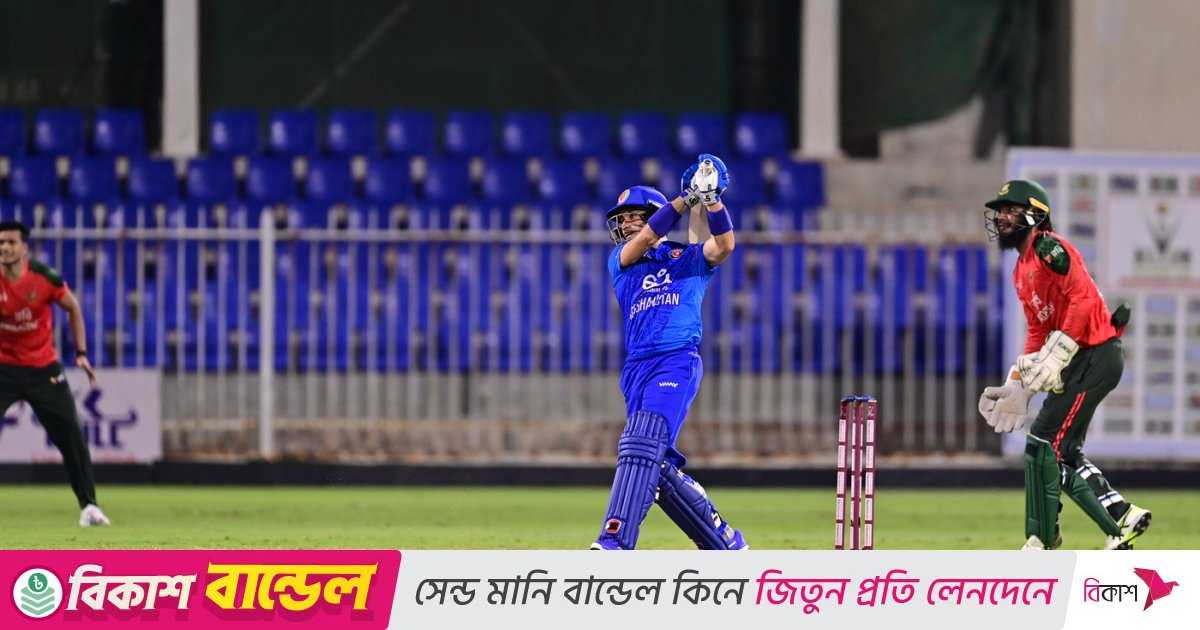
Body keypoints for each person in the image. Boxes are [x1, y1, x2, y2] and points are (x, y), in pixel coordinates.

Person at [977, 180, 1149, 550]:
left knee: (1044, 444)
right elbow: (1038, 330)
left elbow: (1082, 299)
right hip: (1084, 359)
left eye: (1011, 210)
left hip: (1094, 354)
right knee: (1063, 449)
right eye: (1000, 211)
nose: (1002, 217)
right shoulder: (1020, 270)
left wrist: (1059, 353)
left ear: (1035, 214)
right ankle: (1121, 513)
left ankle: (1098, 535)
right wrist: (1019, 382)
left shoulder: (1048, 247)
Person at [591, 154, 746, 550]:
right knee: (652, 462)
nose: (626, 224)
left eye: (634, 216)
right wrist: (685, 200)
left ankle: (614, 541)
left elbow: (724, 245)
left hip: (676, 360)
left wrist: (711, 201)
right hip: (637, 368)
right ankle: (726, 543)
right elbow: (645, 240)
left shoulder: (688, 259)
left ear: (653, 214)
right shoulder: (621, 262)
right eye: (622, 219)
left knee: (640, 444)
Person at [0, 220, 109, 527]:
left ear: (24, 247)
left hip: (43, 369)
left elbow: (73, 308)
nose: (5, 248)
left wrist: (81, 353)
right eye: (0, 243)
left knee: (71, 437)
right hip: (3, 369)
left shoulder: (45, 278)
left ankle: (89, 507)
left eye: (10, 242)